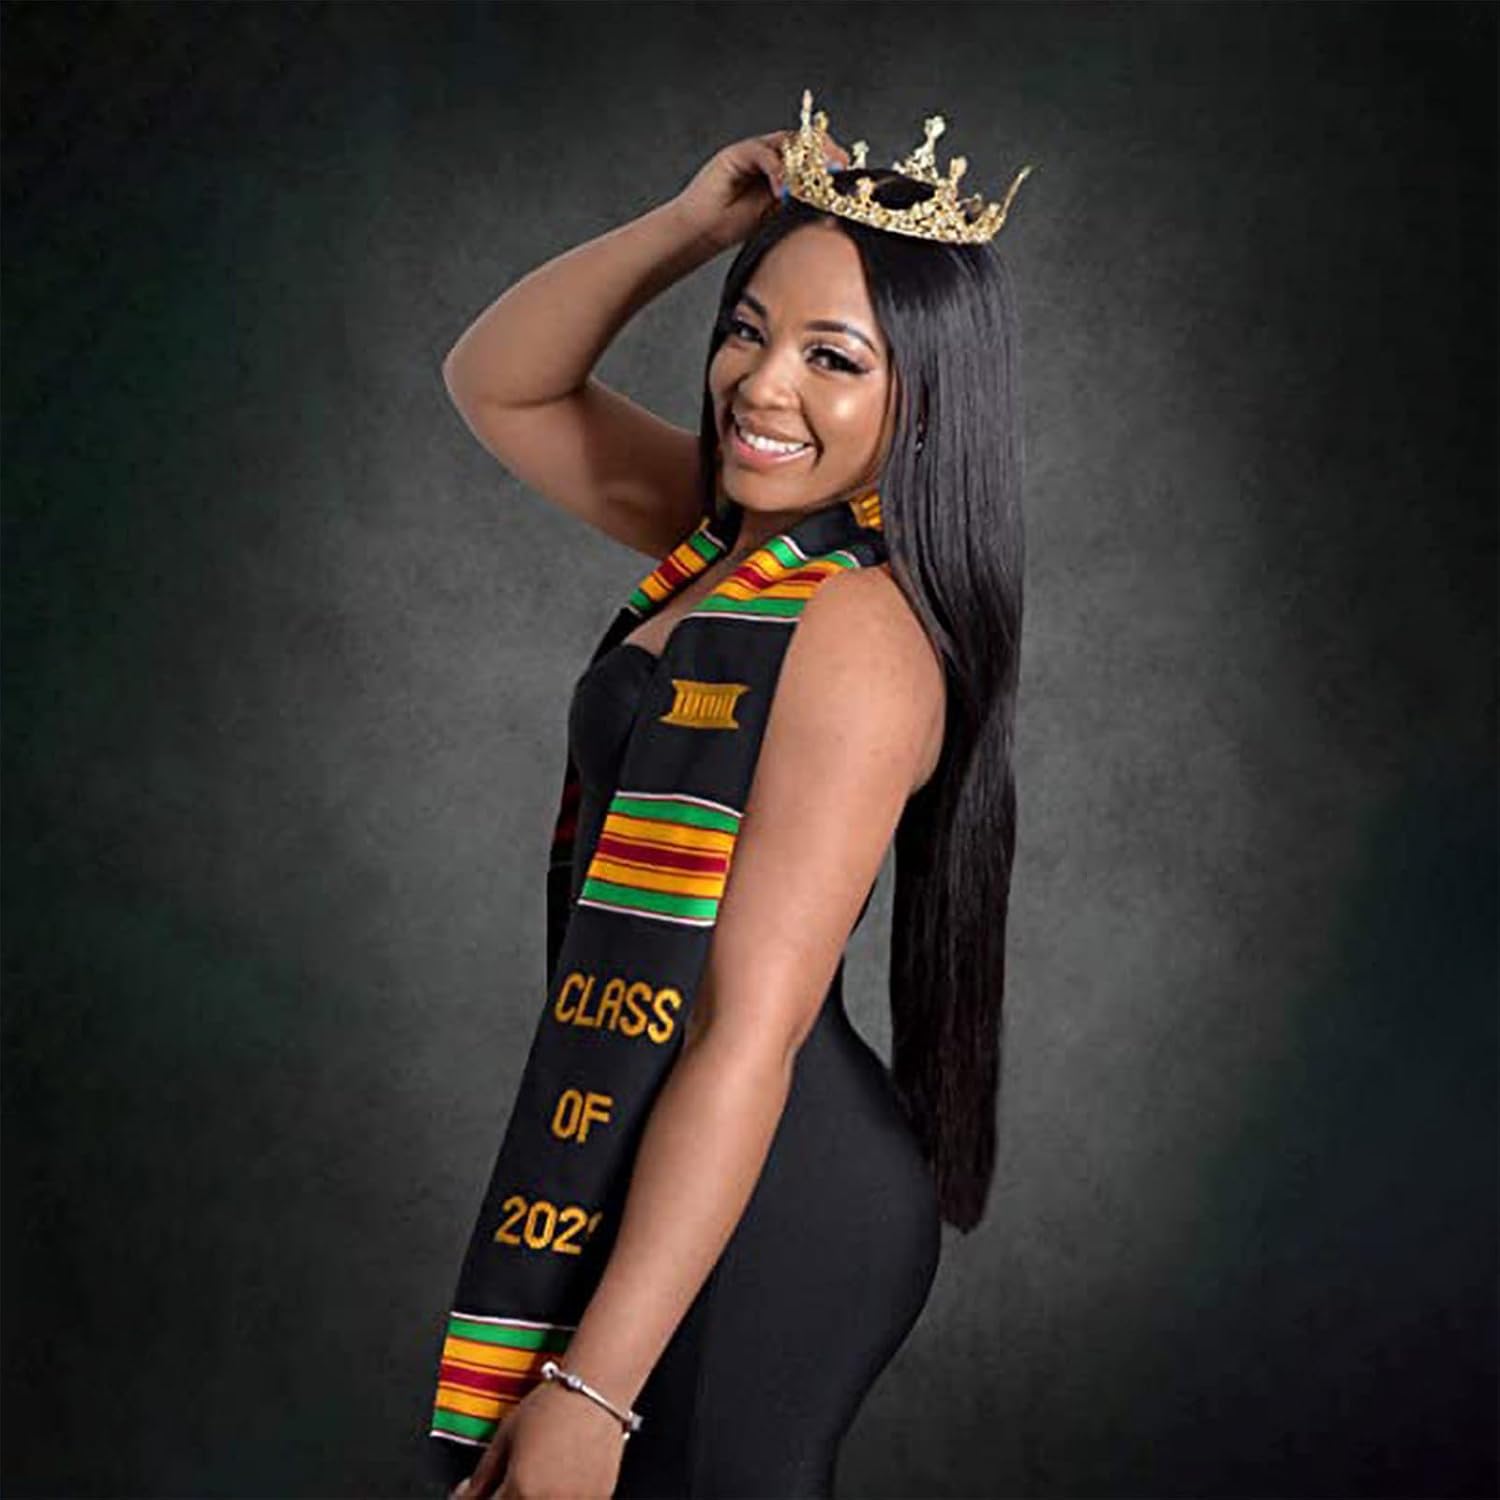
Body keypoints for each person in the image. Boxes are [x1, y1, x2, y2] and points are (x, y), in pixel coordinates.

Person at [430, 91, 1030, 1499]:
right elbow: (500, 384)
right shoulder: (737, 547)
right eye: (748, 331)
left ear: (926, 399)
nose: (762, 388)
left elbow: (745, 1033)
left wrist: (593, 1391)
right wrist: (688, 229)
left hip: (769, 1197)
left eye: (834, 358)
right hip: (670, 1154)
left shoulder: (857, 631)